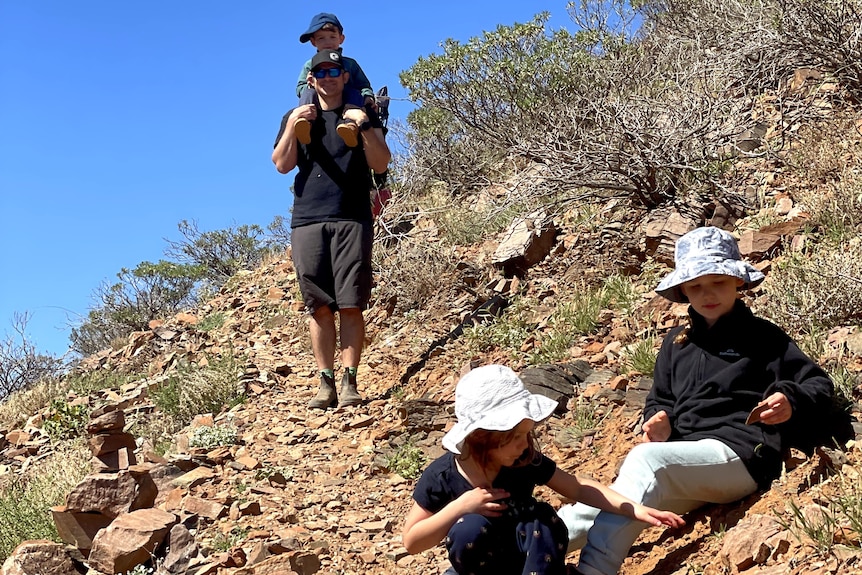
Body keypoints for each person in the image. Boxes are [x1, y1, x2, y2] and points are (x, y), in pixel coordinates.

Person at [557, 226, 842, 575]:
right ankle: (518, 550)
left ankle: (593, 570)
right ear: (683, 290)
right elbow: (660, 398)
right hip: (685, 463)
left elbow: (817, 383)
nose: (707, 294)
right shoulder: (676, 342)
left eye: (718, 282)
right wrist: (658, 417)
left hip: (741, 454)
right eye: (695, 286)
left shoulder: (763, 337)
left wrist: (789, 399)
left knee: (646, 461)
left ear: (738, 283)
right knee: (609, 501)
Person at [402, 364, 685, 575]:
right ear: (482, 438)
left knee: (540, 519)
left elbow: (576, 487)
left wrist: (633, 508)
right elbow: (412, 541)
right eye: (512, 438)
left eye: (527, 434)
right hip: (478, 566)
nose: (523, 445)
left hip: (533, 561)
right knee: (469, 528)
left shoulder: (525, 460)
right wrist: (460, 507)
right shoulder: (442, 476)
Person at [272, 48, 390, 410]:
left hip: (351, 216)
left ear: (344, 78)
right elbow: (281, 163)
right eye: (320, 73)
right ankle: (325, 383)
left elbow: (381, 161)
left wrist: (365, 123)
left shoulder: (360, 115)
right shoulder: (295, 116)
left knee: (351, 304)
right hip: (307, 219)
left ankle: (350, 381)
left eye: (333, 73)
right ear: (311, 80)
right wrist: (293, 125)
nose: (327, 79)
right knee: (319, 306)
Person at [294, 12, 376, 147]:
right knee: (309, 93)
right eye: (321, 38)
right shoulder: (309, 65)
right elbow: (299, 88)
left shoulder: (350, 64)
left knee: (353, 92)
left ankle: (350, 125)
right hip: (321, 105)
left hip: (347, 105)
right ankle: (305, 123)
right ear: (313, 42)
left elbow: (364, 85)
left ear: (341, 39)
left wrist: (368, 96)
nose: (328, 42)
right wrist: (310, 85)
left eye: (332, 37)